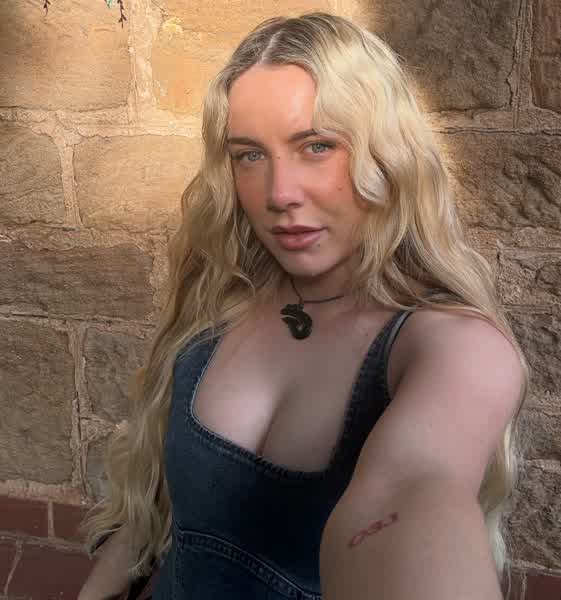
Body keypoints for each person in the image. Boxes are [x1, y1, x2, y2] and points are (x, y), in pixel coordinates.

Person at [78, 11, 529, 600]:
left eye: (317, 146)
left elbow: (414, 492)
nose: (280, 194)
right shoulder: (220, 302)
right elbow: (159, 512)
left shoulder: (451, 347)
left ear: (385, 155)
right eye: (249, 155)